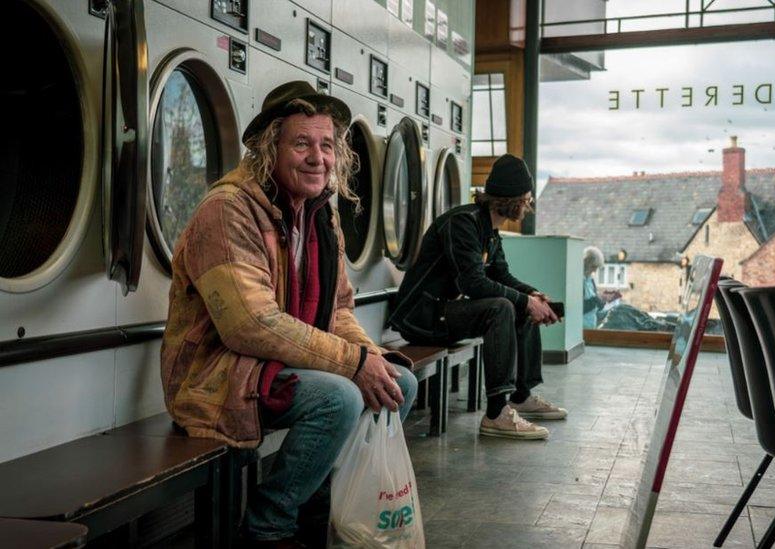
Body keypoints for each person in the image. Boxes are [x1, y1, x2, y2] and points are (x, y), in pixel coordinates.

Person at [160, 81, 417, 549]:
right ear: (269, 148)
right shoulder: (228, 209)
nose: (317, 157)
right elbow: (249, 324)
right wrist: (354, 364)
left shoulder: (320, 214)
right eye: (301, 144)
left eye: (326, 145)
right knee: (338, 397)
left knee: (398, 383)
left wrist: (370, 358)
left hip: (274, 365)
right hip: (217, 375)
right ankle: (269, 525)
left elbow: (337, 309)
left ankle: (314, 511)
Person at [388, 154, 566, 441]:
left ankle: (521, 396)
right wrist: (523, 301)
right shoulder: (463, 223)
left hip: (445, 311)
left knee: (517, 304)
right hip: (422, 317)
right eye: (527, 198)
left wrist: (532, 295)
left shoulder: (489, 230)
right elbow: (473, 283)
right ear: (514, 199)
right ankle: (496, 413)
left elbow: (502, 276)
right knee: (502, 307)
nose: (529, 204)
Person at [582, 246, 621, 329]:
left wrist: (603, 299)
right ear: (586, 263)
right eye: (593, 267)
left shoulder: (591, 281)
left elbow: (597, 308)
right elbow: (579, 308)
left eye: (596, 267)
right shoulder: (578, 282)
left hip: (591, 327)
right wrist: (597, 298)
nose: (595, 271)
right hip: (580, 328)